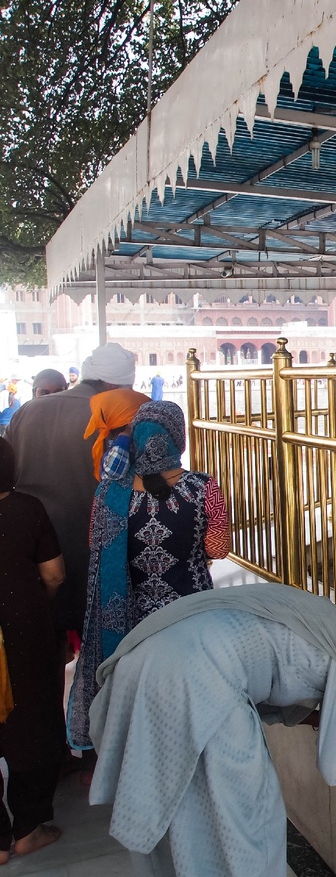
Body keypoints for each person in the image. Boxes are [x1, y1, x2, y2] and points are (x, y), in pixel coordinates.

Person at [88, 583, 336, 876]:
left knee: (178, 798)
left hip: (149, 660)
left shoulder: (323, 621)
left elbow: (277, 674)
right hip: (200, 678)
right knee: (250, 813)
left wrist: (319, 717)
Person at [67, 400, 229, 750]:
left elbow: (97, 545)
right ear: (177, 438)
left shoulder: (110, 494)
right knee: (192, 696)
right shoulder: (203, 488)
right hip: (193, 616)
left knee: (146, 699)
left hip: (133, 627)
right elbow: (218, 548)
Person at [5, 342, 138, 636]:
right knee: (102, 641)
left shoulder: (27, 410)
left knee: (44, 637)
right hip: (95, 548)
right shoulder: (114, 415)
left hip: (36, 550)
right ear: (117, 385)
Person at [0, 437, 67, 863]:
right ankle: (27, 828)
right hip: (23, 628)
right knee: (33, 719)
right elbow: (54, 574)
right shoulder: (27, 508)